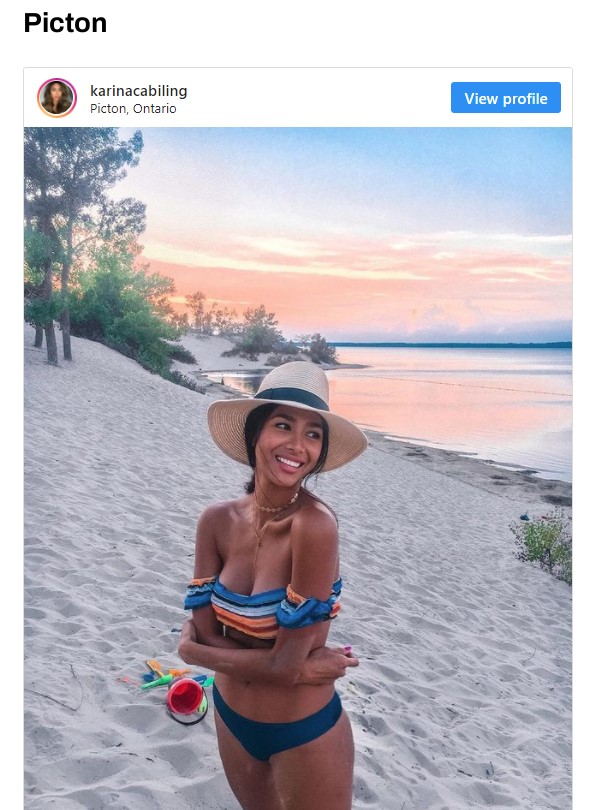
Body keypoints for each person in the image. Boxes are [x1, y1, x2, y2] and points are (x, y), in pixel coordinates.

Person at [178, 361, 368, 810]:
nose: (297, 446)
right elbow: (209, 631)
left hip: (301, 729)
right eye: (283, 425)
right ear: (255, 434)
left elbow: (276, 665)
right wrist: (289, 666)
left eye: (312, 434)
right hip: (230, 718)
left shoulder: (314, 527)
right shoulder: (216, 521)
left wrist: (193, 654)